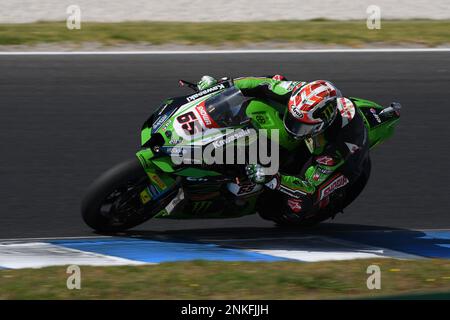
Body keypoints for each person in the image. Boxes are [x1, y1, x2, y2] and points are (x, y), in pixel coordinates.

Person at [197, 75, 371, 225]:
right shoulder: (298, 93)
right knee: (275, 79)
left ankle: (302, 211)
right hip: (316, 130)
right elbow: (260, 84)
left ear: (321, 125)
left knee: (297, 207)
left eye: (301, 126)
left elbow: (309, 187)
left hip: (345, 159)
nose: (293, 127)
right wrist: (221, 86)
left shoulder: (336, 148)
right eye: (293, 119)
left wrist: (273, 177)